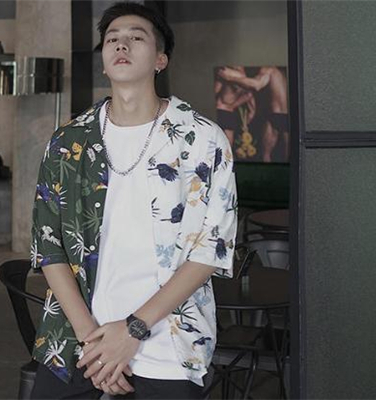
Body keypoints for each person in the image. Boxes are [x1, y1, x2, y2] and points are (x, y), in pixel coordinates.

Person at [29, 2, 238, 399]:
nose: (121, 45)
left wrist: (132, 331)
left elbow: (211, 249)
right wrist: (94, 343)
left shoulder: (201, 139)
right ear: (104, 60)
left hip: (170, 341)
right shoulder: (68, 142)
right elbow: (49, 245)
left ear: (160, 59)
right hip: (76, 338)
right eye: (112, 39)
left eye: (136, 38)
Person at [217, 66, 289, 162]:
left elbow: (256, 86)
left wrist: (229, 77)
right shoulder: (278, 73)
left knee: (286, 155)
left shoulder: (269, 70)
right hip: (276, 116)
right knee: (266, 157)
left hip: (280, 116)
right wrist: (249, 112)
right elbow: (250, 95)